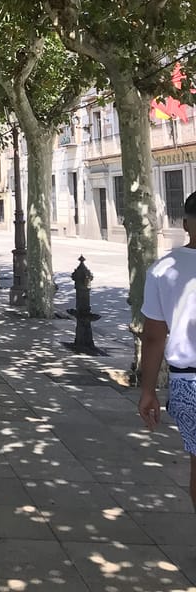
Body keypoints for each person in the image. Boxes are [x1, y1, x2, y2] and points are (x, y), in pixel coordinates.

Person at [138, 190, 196, 509]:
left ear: (186, 224)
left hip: (188, 383)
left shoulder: (162, 269)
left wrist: (148, 390)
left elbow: (153, 337)